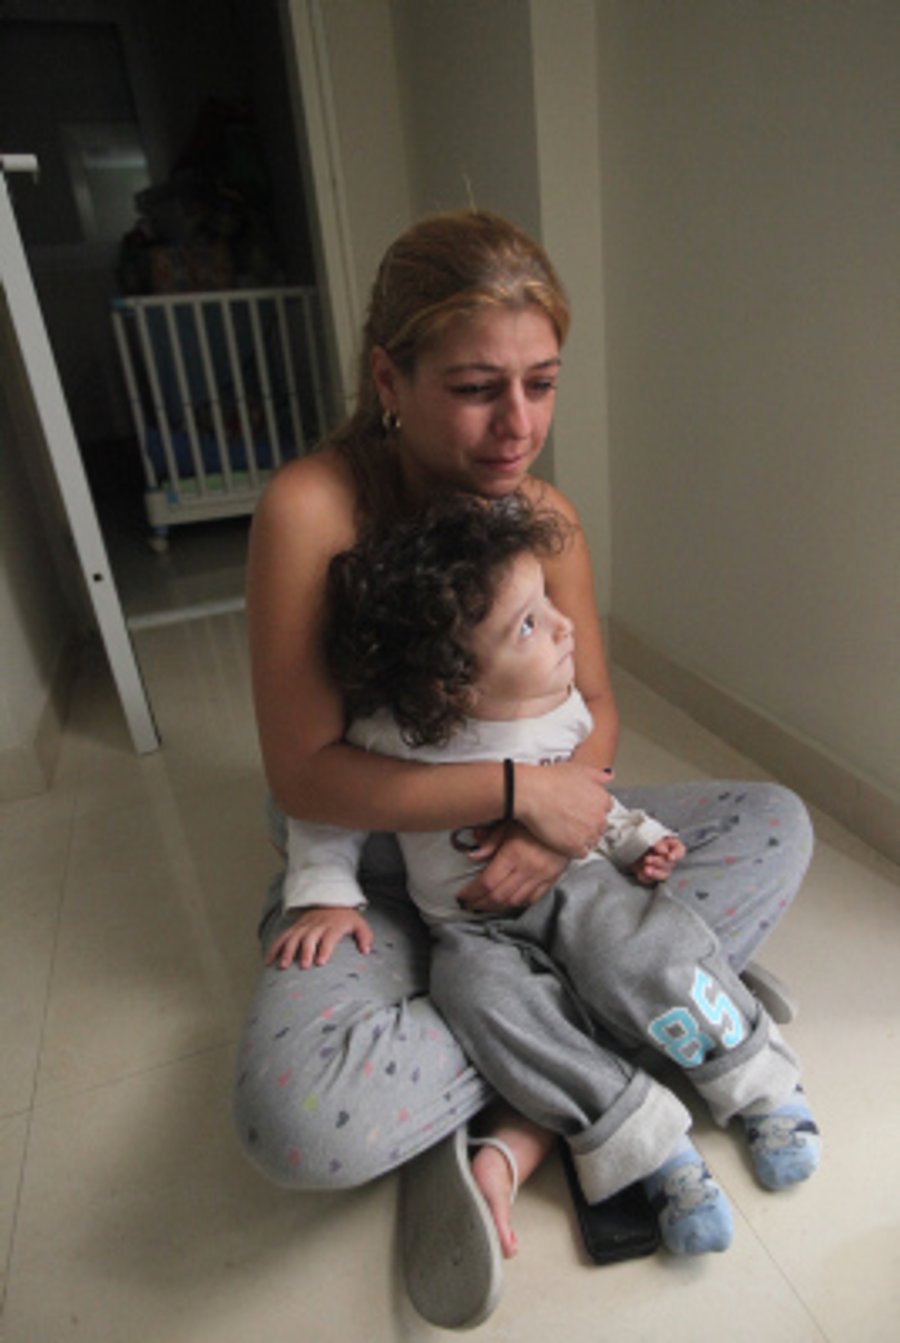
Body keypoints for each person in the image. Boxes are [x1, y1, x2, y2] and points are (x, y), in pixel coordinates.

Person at [233, 209, 816, 1330]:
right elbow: (306, 772)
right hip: (375, 860)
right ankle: (662, 1010)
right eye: (476, 387)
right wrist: (512, 799)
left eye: (541, 383)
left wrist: (553, 828)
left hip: (551, 852)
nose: (518, 426)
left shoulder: (541, 515)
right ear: (389, 375)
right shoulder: (313, 508)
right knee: (296, 1122)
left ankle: (534, 1105)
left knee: (775, 818)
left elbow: (592, 709)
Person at [271, 493, 820, 1261]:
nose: (564, 625)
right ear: (450, 685)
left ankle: (758, 1082)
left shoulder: (556, 709)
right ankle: (646, 1144)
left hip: (580, 887)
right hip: (466, 927)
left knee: (634, 951)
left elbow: (597, 798)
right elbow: (327, 810)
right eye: (529, 623)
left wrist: (641, 842)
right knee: (477, 999)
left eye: (548, 604)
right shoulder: (387, 732)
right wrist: (326, 892)